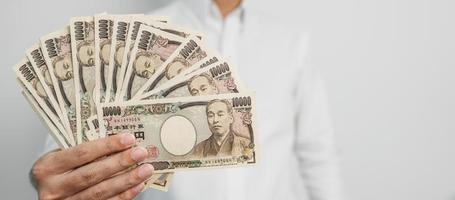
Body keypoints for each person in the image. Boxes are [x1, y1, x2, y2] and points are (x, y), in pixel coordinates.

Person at [32, 0, 343, 200]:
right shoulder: (127, 39)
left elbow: (317, 153)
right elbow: (63, 154)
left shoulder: (291, 42)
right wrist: (56, 179)